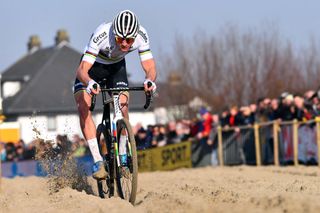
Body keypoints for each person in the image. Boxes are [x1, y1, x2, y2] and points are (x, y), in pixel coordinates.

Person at [73, 10, 157, 179]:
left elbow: (150, 66)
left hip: (116, 68)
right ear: (114, 34)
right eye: (120, 39)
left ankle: (124, 153)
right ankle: (98, 161)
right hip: (93, 68)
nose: (125, 44)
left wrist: (149, 80)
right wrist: (89, 83)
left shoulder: (142, 34)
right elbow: (82, 70)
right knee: (83, 107)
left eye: (129, 40)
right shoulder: (102, 34)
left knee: (123, 107)